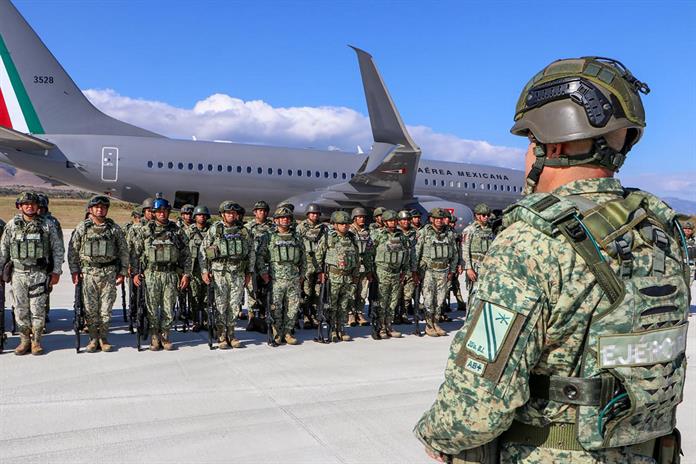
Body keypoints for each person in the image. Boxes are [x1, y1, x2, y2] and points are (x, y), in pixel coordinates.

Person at [415, 57, 687, 464]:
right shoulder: (661, 232)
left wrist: (435, 433)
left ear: (552, 147)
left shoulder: (530, 242)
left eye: (529, 142)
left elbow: (475, 409)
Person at [0, 192, 64, 355]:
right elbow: (3, 250)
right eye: (26, 204)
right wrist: (1, 271)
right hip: (18, 274)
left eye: (33, 204)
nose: (30, 206)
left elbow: (57, 249)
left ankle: (36, 341)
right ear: (20, 206)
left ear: (38, 206)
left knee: (37, 309)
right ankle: (24, 341)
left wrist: (56, 272)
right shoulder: (12, 225)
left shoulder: (47, 225)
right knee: (20, 309)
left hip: (39, 274)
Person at [68, 195, 129, 352]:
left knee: (106, 309)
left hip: (109, 273)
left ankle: (103, 338)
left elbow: (123, 251)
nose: (100, 210)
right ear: (90, 209)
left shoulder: (114, 229)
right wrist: (75, 271)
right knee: (90, 309)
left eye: (103, 207)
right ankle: (93, 338)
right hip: (89, 274)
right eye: (97, 207)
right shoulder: (82, 228)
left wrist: (122, 272)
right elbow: (73, 251)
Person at [132, 197, 191, 351]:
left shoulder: (177, 231)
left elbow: (186, 254)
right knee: (151, 307)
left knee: (168, 307)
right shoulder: (146, 230)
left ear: (168, 212)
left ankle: (165, 336)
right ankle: (154, 336)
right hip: (151, 274)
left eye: (165, 211)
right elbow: (136, 253)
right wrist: (135, 273)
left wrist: (186, 274)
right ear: (154, 213)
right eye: (159, 211)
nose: (162, 214)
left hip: (170, 274)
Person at [200, 201, 254, 349]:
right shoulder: (215, 229)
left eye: (233, 213)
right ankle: (221, 335)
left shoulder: (243, 231)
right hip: (220, 273)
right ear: (223, 214)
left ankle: (231, 334)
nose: (231, 215)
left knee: (234, 304)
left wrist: (249, 272)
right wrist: (204, 271)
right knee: (221, 304)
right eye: (228, 212)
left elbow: (251, 252)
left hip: (238, 273)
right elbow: (203, 250)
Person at [257, 207, 305, 345]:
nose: (285, 220)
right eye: (282, 217)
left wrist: (302, 275)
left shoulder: (297, 237)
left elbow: (303, 258)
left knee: (293, 307)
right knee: (276, 308)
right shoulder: (268, 237)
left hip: (293, 279)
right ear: (276, 220)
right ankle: (277, 333)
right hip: (276, 279)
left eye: (287, 218)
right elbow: (260, 256)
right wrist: (263, 273)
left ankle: (288, 332)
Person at [371, 210, 417, 338]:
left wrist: (404, 271)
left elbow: (407, 255)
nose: (393, 223)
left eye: (394, 220)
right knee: (382, 301)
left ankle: (389, 325)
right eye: (390, 221)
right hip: (382, 272)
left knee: (393, 301)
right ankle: (381, 327)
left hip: (397, 273)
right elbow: (370, 254)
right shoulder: (378, 235)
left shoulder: (402, 236)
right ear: (385, 222)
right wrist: (371, 271)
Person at [316, 211, 359, 342]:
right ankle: (332, 329)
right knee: (332, 305)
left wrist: (355, 274)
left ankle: (341, 328)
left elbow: (357, 258)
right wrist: (320, 273)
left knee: (344, 305)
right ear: (335, 225)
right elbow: (319, 256)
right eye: (341, 224)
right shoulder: (328, 238)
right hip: (333, 277)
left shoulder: (352, 238)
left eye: (346, 224)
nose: (345, 226)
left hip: (347, 277)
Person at [415, 208, 457, 337]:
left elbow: (454, 253)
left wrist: (452, 270)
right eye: (436, 218)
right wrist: (414, 271)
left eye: (441, 218)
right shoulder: (424, 232)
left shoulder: (449, 233)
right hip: (429, 271)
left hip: (443, 271)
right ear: (431, 219)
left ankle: (436, 322)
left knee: (440, 300)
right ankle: (429, 325)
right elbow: (417, 253)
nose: (439, 221)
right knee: (428, 299)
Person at [296, 203, 327, 329]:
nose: (314, 215)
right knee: (306, 291)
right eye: (312, 213)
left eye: (316, 213)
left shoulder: (324, 228)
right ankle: (306, 316)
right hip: (306, 263)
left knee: (318, 292)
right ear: (308, 214)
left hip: (319, 264)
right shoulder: (301, 227)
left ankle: (314, 315)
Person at [244, 200, 274, 328]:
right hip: (251, 265)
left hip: (266, 264)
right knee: (252, 291)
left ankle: (262, 317)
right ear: (255, 212)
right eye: (260, 210)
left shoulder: (272, 227)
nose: (262, 213)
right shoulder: (248, 227)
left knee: (265, 291)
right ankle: (251, 318)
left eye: (264, 211)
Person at [461, 203, 495, 305]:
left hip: (488, 266)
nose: (486, 217)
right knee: (474, 295)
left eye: (488, 215)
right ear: (477, 215)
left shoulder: (491, 230)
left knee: (487, 294)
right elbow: (465, 250)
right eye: (483, 215)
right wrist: (468, 268)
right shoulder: (470, 230)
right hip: (475, 266)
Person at [186, 206, 211, 331]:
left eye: (204, 215)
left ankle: (206, 320)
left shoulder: (212, 230)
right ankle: (195, 321)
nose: (202, 217)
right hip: (193, 269)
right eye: (199, 215)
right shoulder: (189, 231)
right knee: (194, 296)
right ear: (195, 217)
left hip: (208, 268)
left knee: (207, 296)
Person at [348, 207, 374, 327]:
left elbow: (369, 251)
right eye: (359, 217)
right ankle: (350, 314)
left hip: (364, 266)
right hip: (353, 266)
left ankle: (359, 313)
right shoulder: (349, 231)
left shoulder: (367, 232)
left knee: (363, 291)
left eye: (363, 217)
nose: (362, 219)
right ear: (354, 218)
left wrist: (369, 269)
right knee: (351, 291)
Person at [397, 209, 417, 324]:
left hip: (410, 268)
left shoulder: (415, 233)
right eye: (403, 220)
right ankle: (395, 315)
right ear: (399, 221)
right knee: (396, 294)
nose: (406, 222)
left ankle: (403, 314)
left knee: (408, 294)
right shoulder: (395, 233)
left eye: (408, 219)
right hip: (398, 269)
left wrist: (415, 270)